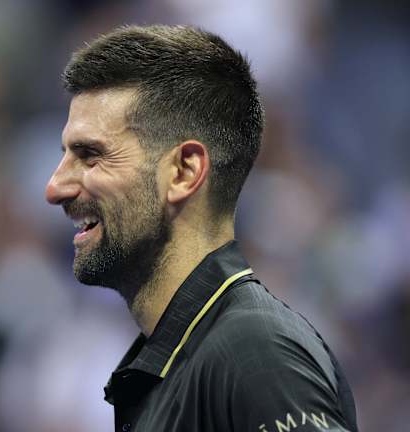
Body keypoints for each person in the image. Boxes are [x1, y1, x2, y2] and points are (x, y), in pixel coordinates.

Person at [45, 25, 358, 432]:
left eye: (90, 155)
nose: (55, 188)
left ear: (184, 171)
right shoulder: (183, 359)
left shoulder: (254, 351)